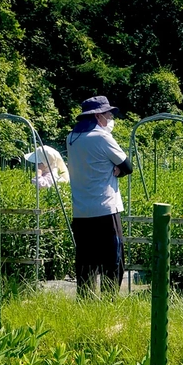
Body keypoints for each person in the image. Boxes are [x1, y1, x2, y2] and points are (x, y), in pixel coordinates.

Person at [66, 96, 133, 297]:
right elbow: (127, 166)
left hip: (81, 210)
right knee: (113, 260)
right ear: (97, 116)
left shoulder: (71, 138)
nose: (110, 118)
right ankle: (109, 301)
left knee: (86, 260)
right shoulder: (102, 137)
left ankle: (85, 300)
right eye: (107, 114)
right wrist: (117, 169)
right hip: (105, 207)